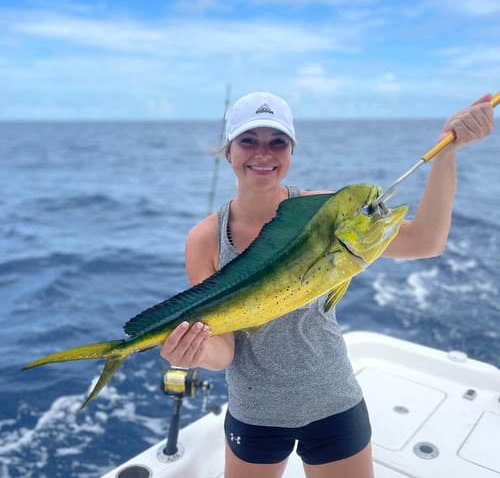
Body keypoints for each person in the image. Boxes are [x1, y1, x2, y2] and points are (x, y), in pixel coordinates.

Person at [160, 91, 494, 478]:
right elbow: (225, 350)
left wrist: (446, 154)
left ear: (291, 151)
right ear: (229, 150)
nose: (263, 154)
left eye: (277, 142)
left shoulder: (324, 212)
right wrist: (194, 353)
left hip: (334, 404)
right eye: (249, 140)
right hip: (255, 415)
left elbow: (426, 242)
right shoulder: (205, 239)